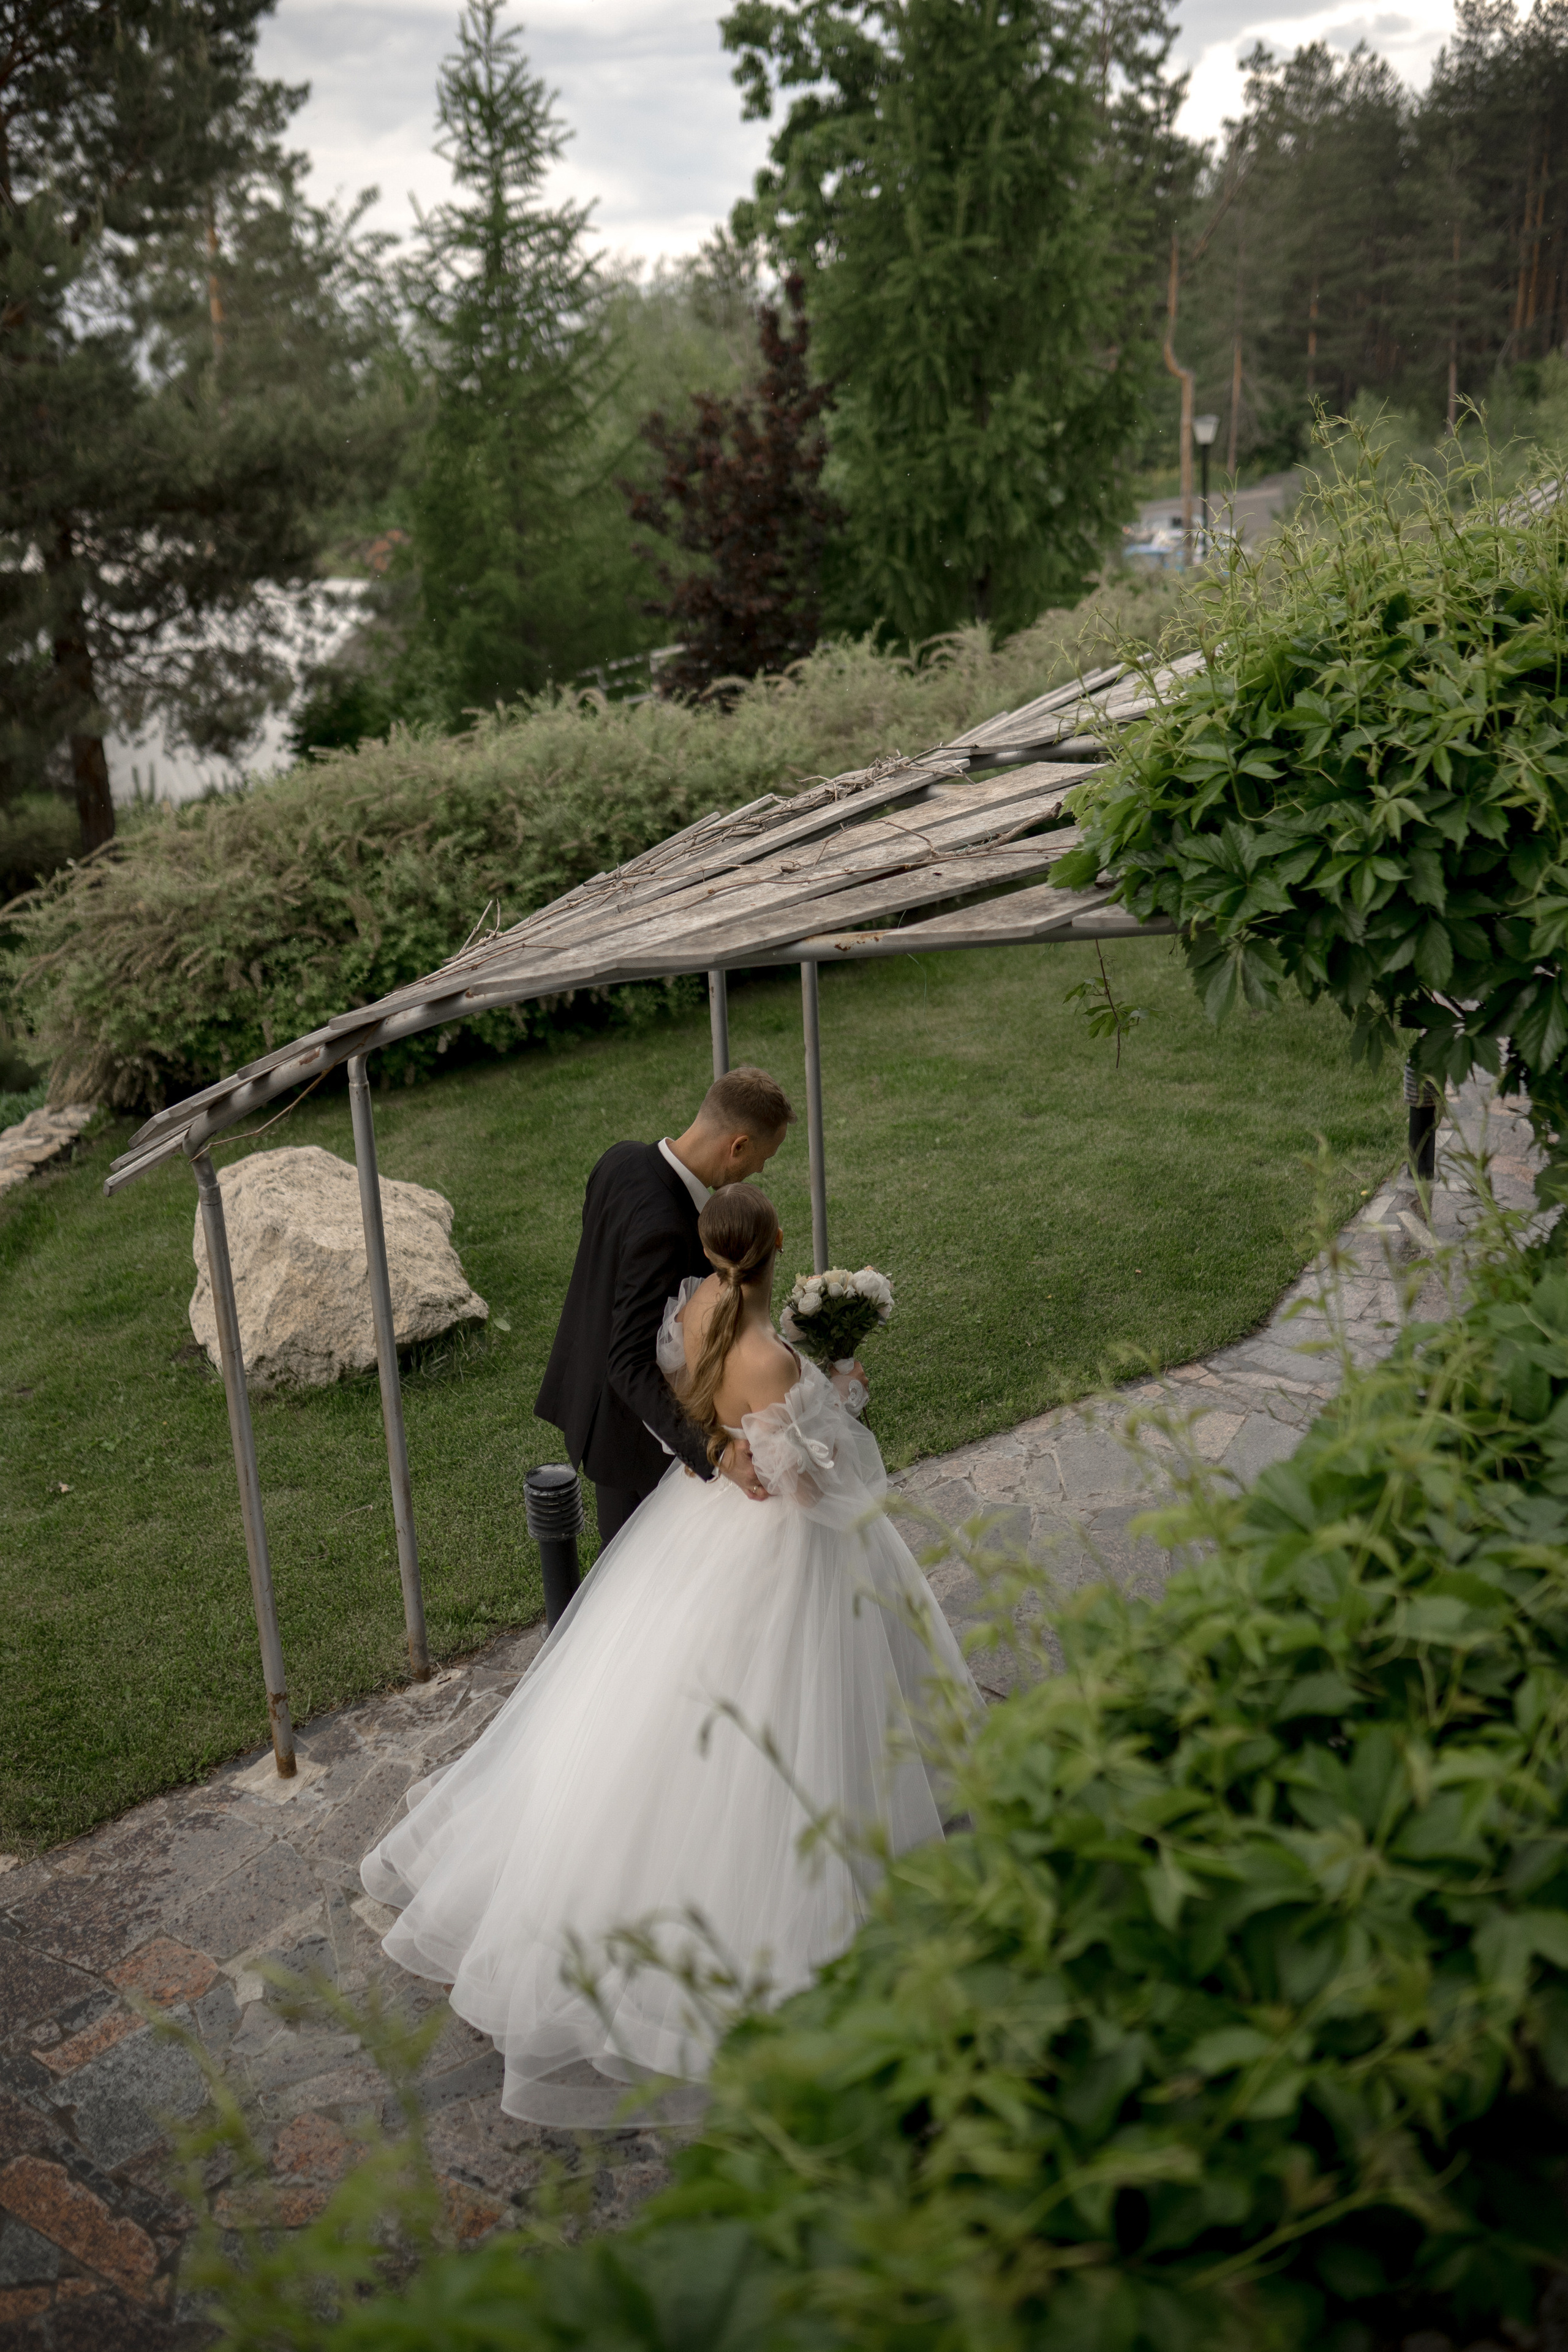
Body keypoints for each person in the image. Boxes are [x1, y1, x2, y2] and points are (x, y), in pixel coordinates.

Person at [362, 1183, 977, 2125]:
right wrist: (843, 1407)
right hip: (778, 1552)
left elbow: (713, 1425)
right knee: (792, 1717)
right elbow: (806, 1494)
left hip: (695, 1525)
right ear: (776, 1249)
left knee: (650, 1708)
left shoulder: (691, 1311)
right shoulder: (771, 1357)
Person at [534, 1065, 794, 1546]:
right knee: (645, 1594)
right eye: (762, 1157)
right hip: (633, 1439)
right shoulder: (668, 1229)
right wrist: (716, 1452)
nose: (760, 1171)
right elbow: (628, 1363)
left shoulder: (620, 1159)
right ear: (737, 1145)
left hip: (593, 1403)